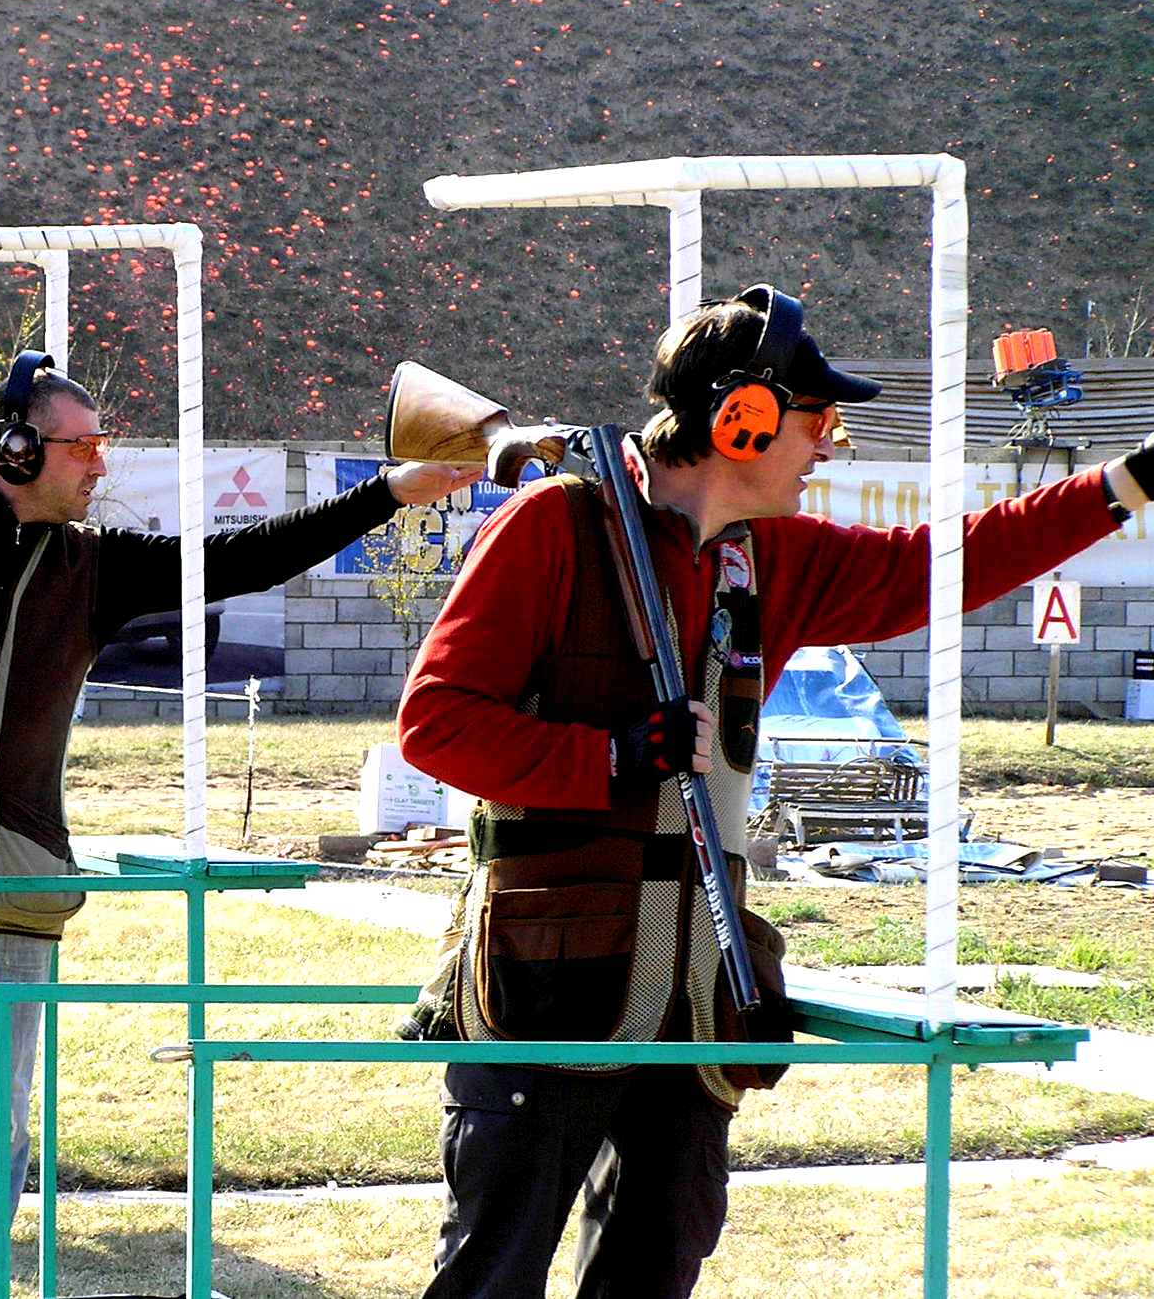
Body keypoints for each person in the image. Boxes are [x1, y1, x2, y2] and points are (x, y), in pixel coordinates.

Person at [395, 284, 1154, 1299]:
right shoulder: (553, 525)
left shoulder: (768, 556)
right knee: (491, 1280)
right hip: (547, 981)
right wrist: (611, 755)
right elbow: (435, 723)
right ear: (739, 421)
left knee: (652, 1272)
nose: (827, 446)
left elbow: (953, 560)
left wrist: (1131, 479)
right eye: (817, 421)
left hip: (694, 995)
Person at [0, 350, 482, 1299]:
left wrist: (389, 490)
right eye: (82, 447)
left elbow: (244, 555)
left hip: (18, 861)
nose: (100, 466)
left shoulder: (91, 562)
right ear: (16, 449)